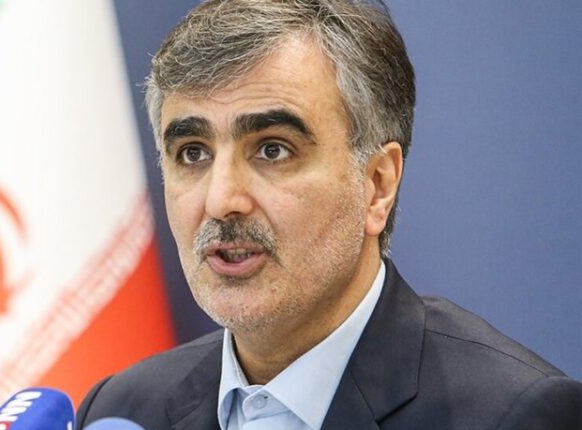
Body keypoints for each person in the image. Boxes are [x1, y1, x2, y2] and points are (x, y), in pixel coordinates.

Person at [76, 1, 582, 429]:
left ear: (378, 185)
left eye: (272, 149)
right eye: (192, 153)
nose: (220, 200)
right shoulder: (122, 410)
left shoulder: (513, 414)